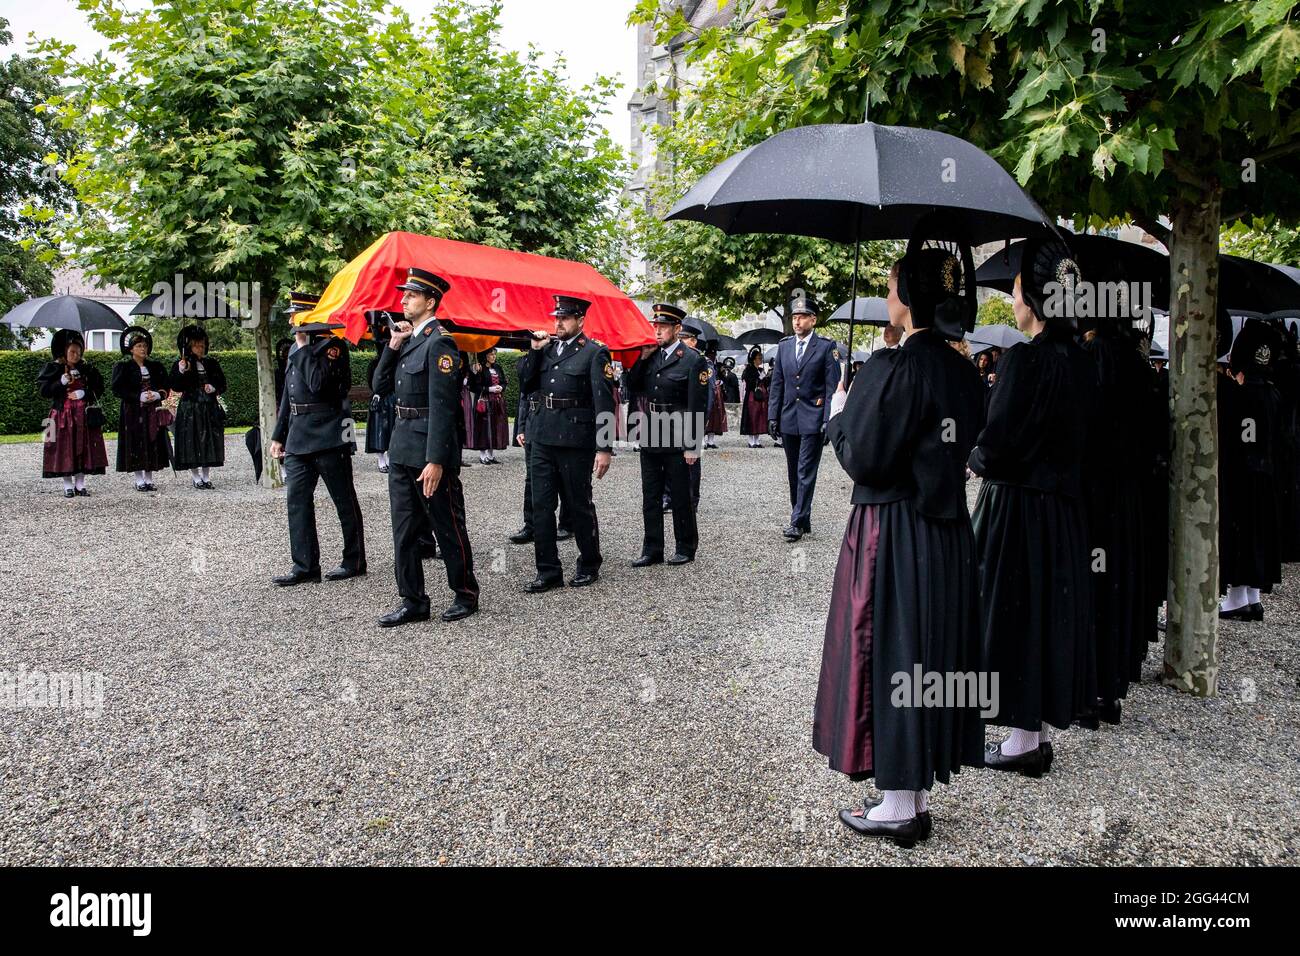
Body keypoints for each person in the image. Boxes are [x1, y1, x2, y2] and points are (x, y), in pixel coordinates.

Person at [815, 249, 985, 847]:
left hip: (892, 530)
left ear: (907, 298)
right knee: (926, 657)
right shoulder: (963, 370)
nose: (887, 298)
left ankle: (898, 805)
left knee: (890, 655)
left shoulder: (895, 366)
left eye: (891, 287)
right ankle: (909, 793)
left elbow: (864, 456)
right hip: (946, 533)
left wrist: (840, 412)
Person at [969, 239, 1099, 776]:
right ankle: (1030, 736)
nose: (1014, 300)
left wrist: (975, 457)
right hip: (1063, 511)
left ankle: (1023, 741)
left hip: (1018, 508)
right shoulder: (1084, 361)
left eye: (1018, 290)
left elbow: (999, 438)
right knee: (1044, 614)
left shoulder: (1025, 360)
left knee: (1011, 614)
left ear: (1037, 299)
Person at [372, 268, 479, 625]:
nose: (403, 300)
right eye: (404, 295)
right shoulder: (409, 339)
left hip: (428, 452)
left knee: (446, 525)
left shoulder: (440, 342)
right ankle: (413, 600)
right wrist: (393, 345)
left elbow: (445, 408)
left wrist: (436, 460)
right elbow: (379, 384)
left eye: (411, 295)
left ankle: (465, 593)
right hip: (402, 446)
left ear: (430, 301)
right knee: (403, 531)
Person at [1078, 306, 1156, 725]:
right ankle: (1108, 689)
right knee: (1114, 588)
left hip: (1094, 493)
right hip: (1127, 494)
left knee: (1092, 592)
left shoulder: (1092, 358)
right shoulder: (1138, 363)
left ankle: (1090, 691)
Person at [517, 294, 615, 592]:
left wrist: (604, 447)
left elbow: (605, 402)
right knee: (542, 505)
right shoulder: (544, 349)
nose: (558, 322)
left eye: (565, 318)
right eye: (556, 317)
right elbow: (525, 384)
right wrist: (534, 351)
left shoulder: (594, 353)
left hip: (575, 439)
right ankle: (548, 571)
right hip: (543, 436)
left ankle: (589, 562)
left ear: (580, 321)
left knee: (578, 503)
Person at [268, 292, 366, 587]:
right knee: (296, 500)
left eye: (295, 315)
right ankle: (305, 565)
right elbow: (289, 395)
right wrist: (278, 435)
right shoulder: (298, 350)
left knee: (343, 501)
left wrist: (301, 350)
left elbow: (317, 384)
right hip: (298, 436)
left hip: (328, 434)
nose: (290, 321)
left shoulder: (333, 347)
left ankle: (354, 559)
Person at [625, 303, 708, 566]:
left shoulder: (693, 359)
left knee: (680, 494)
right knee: (650, 494)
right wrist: (642, 358)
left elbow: (698, 404)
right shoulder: (651, 356)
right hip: (651, 431)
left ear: (677, 329)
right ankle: (652, 549)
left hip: (678, 432)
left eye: (662, 327)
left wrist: (693, 445)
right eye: (655, 326)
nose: (657, 331)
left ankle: (685, 546)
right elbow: (632, 386)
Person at [1218, 318, 1284, 621]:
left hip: (1241, 475)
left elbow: (1239, 439)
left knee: (1240, 535)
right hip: (1266, 475)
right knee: (1256, 535)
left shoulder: (1239, 396)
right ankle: (1252, 598)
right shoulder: (1273, 394)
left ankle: (1235, 599)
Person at [767, 293, 841, 540]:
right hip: (789, 417)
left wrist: (828, 421)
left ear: (813, 320)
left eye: (802, 317)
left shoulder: (826, 347)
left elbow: (832, 387)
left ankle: (797, 521)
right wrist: (772, 416)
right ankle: (802, 515)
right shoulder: (785, 346)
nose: (797, 322)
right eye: (794, 317)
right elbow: (777, 383)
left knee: (805, 470)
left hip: (813, 417)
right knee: (792, 471)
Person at [37, 329, 108, 497]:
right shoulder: (54, 368)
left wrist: (84, 393)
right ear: (65, 352)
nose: (75, 355)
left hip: (83, 414)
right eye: (72, 352)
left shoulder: (87, 369)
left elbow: (99, 388)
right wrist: (60, 383)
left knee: (84, 447)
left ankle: (80, 483)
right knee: (64, 448)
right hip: (62, 414)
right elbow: (44, 391)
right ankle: (67, 484)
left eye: (78, 352)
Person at [510, 367, 573, 545]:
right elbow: (524, 397)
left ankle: (567, 523)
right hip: (532, 424)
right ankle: (531, 524)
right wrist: (521, 427)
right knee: (531, 479)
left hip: (553, 423)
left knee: (562, 477)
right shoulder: (532, 360)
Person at [112, 326, 172, 491]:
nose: (143, 349)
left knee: (152, 440)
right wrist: (137, 396)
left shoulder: (155, 366)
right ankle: (139, 479)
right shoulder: (123, 367)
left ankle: (149, 478)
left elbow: (165, 385)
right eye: (139, 346)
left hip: (152, 410)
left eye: (144, 346)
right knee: (136, 442)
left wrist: (158, 394)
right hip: (133, 411)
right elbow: (117, 389)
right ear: (131, 349)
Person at [171, 324, 227, 490]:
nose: (200, 348)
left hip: (208, 407)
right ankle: (195, 476)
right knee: (192, 440)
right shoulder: (182, 364)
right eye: (196, 345)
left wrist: (213, 387)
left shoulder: (211, 363)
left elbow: (222, 383)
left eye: (202, 345)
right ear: (189, 346)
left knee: (209, 440)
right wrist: (181, 371)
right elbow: (176, 386)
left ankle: (206, 475)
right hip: (190, 408)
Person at [675, 318, 712, 508]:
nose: (681, 342)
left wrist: (702, 422)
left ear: (694, 341)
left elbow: (707, 396)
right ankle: (671, 497)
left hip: (692, 417)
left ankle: (692, 498)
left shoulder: (700, 361)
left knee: (691, 461)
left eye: (686, 338)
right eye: (679, 338)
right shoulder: (674, 359)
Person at [364, 310, 398, 474]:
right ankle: (380, 458)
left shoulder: (395, 361)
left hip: (390, 397)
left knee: (390, 428)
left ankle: (389, 458)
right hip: (380, 398)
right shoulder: (373, 364)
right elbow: (373, 383)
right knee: (379, 430)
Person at [468, 347, 509, 465]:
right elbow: (473, 386)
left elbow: (504, 381)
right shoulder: (479, 368)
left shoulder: (497, 367)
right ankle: (483, 455)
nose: (493, 356)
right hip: (484, 402)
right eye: (491, 354)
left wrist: (501, 387)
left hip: (497, 402)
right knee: (484, 427)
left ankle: (491, 455)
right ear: (485, 356)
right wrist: (489, 389)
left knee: (495, 426)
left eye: (494, 354)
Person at [740, 346, 769, 448]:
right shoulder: (749, 369)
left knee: (760, 417)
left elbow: (766, 383)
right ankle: (751, 440)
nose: (760, 360)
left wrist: (764, 377)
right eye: (758, 358)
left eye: (761, 358)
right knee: (752, 416)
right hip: (752, 396)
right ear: (753, 359)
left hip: (761, 396)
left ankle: (757, 440)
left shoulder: (761, 369)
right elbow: (749, 383)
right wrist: (758, 378)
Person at [702, 342, 728, 449]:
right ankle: (702, 439)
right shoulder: (704, 363)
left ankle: (711, 441)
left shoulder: (718, 365)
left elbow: (724, 379)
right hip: (707, 391)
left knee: (715, 417)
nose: (713, 356)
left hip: (717, 394)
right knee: (706, 415)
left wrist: (721, 379)